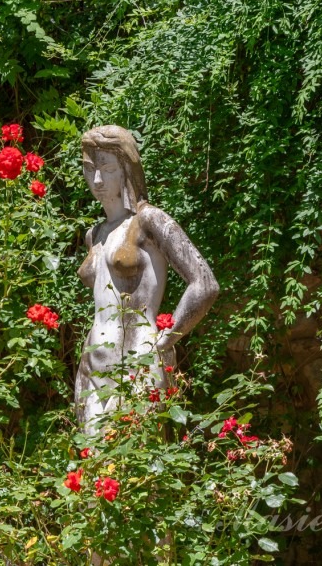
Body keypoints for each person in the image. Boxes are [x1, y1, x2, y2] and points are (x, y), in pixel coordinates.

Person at [75, 125, 219, 433]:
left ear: (126, 168)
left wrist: (164, 342)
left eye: (108, 169)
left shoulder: (149, 220)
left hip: (137, 359)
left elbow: (204, 284)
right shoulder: (95, 235)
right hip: (92, 364)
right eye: (90, 170)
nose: (97, 180)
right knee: (94, 473)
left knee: (132, 466)